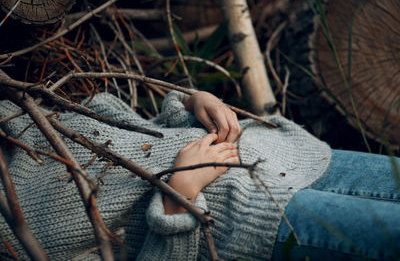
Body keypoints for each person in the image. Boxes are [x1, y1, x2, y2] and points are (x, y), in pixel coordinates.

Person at [0, 90, 398, 260]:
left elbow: (144, 129)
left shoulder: (16, 117)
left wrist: (193, 101)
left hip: (279, 151)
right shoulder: (9, 240)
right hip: (255, 215)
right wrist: (178, 197)